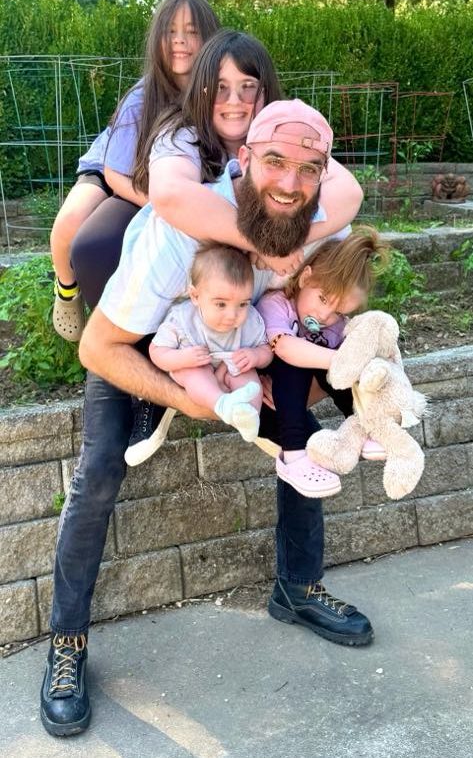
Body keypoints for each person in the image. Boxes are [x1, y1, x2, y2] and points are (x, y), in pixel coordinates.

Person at [39, 97, 373, 739]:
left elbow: (325, 315)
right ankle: (67, 643)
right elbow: (96, 347)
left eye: (310, 169)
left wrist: (324, 373)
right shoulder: (179, 235)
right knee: (101, 466)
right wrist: (186, 397)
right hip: (141, 341)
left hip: (241, 343)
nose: (291, 183)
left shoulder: (317, 227)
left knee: (299, 433)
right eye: (275, 161)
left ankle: (298, 587)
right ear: (244, 160)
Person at [123, 27, 363, 465]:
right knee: (153, 324)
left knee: (297, 435)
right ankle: (154, 396)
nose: (235, 101)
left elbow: (348, 194)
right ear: (201, 90)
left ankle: (288, 429)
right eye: (221, 88)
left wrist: (289, 239)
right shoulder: (181, 134)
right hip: (185, 280)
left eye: (248, 88)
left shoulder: (290, 139)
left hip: (243, 311)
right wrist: (262, 244)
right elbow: (173, 196)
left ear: (266, 91)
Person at [50, 0, 220, 340]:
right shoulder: (141, 98)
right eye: (170, 32)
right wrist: (162, 206)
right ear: (157, 38)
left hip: (155, 172)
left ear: (210, 38)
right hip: (111, 167)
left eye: (191, 32)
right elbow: (115, 174)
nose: (180, 41)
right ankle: (66, 289)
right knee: (70, 222)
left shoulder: (215, 91)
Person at [256, 228, 390, 497]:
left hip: (293, 408)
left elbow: (343, 371)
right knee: (300, 355)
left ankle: (367, 423)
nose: (324, 315)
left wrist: (356, 361)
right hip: (265, 407)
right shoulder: (277, 304)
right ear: (306, 278)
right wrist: (342, 361)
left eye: (338, 312)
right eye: (323, 299)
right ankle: (293, 457)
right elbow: (283, 346)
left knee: (341, 363)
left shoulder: (334, 326)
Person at [145, 243, 272, 456]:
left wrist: (255, 356)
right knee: (196, 374)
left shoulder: (250, 320)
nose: (233, 315)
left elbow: (266, 350)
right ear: (195, 296)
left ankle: (249, 416)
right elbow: (156, 351)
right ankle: (221, 403)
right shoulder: (182, 319)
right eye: (221, 304)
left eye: (243, 304)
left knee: (249, 378)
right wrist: (181, 358)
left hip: (230, 365)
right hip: (194, 365)